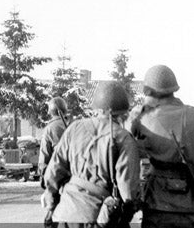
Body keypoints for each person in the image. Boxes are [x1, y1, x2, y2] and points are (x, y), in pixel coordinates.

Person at [129, 65, 194, 228]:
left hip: (156, 208)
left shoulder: (141, 119)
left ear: (148, 92)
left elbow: (127, 161)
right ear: (173, 88)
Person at [41, 81, 140, 228]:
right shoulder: (123, 138)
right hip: (101, 217)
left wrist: (51, 205)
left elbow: (54, 171)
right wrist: (124, 215)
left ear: (96, 108)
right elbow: (128, 192)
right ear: (123, 113)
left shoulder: (74, 128)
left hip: (67, 214)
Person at [39, 97, 70, 185]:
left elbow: (44, 158)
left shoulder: (49, 129)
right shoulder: (75, 124)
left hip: (58, 177)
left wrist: (43, 177)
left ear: (50, 111)